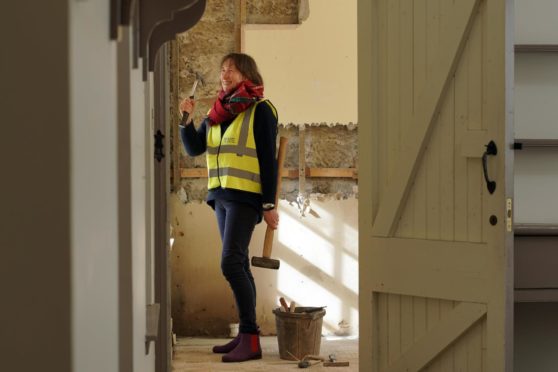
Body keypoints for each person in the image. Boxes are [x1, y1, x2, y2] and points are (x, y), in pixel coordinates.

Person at [178, 53, 279, 363]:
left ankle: (250, 338)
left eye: (232, 69)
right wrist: (186, 120)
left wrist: (269, 204)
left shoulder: (261, 110)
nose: (225, 74)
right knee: (238, 263)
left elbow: (267, 159)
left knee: (230, 263)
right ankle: (246, 337)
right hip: (220, 197)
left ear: (247, 73)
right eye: (222, 70)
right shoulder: (218, 111)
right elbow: (196, 147)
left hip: (245, 197)